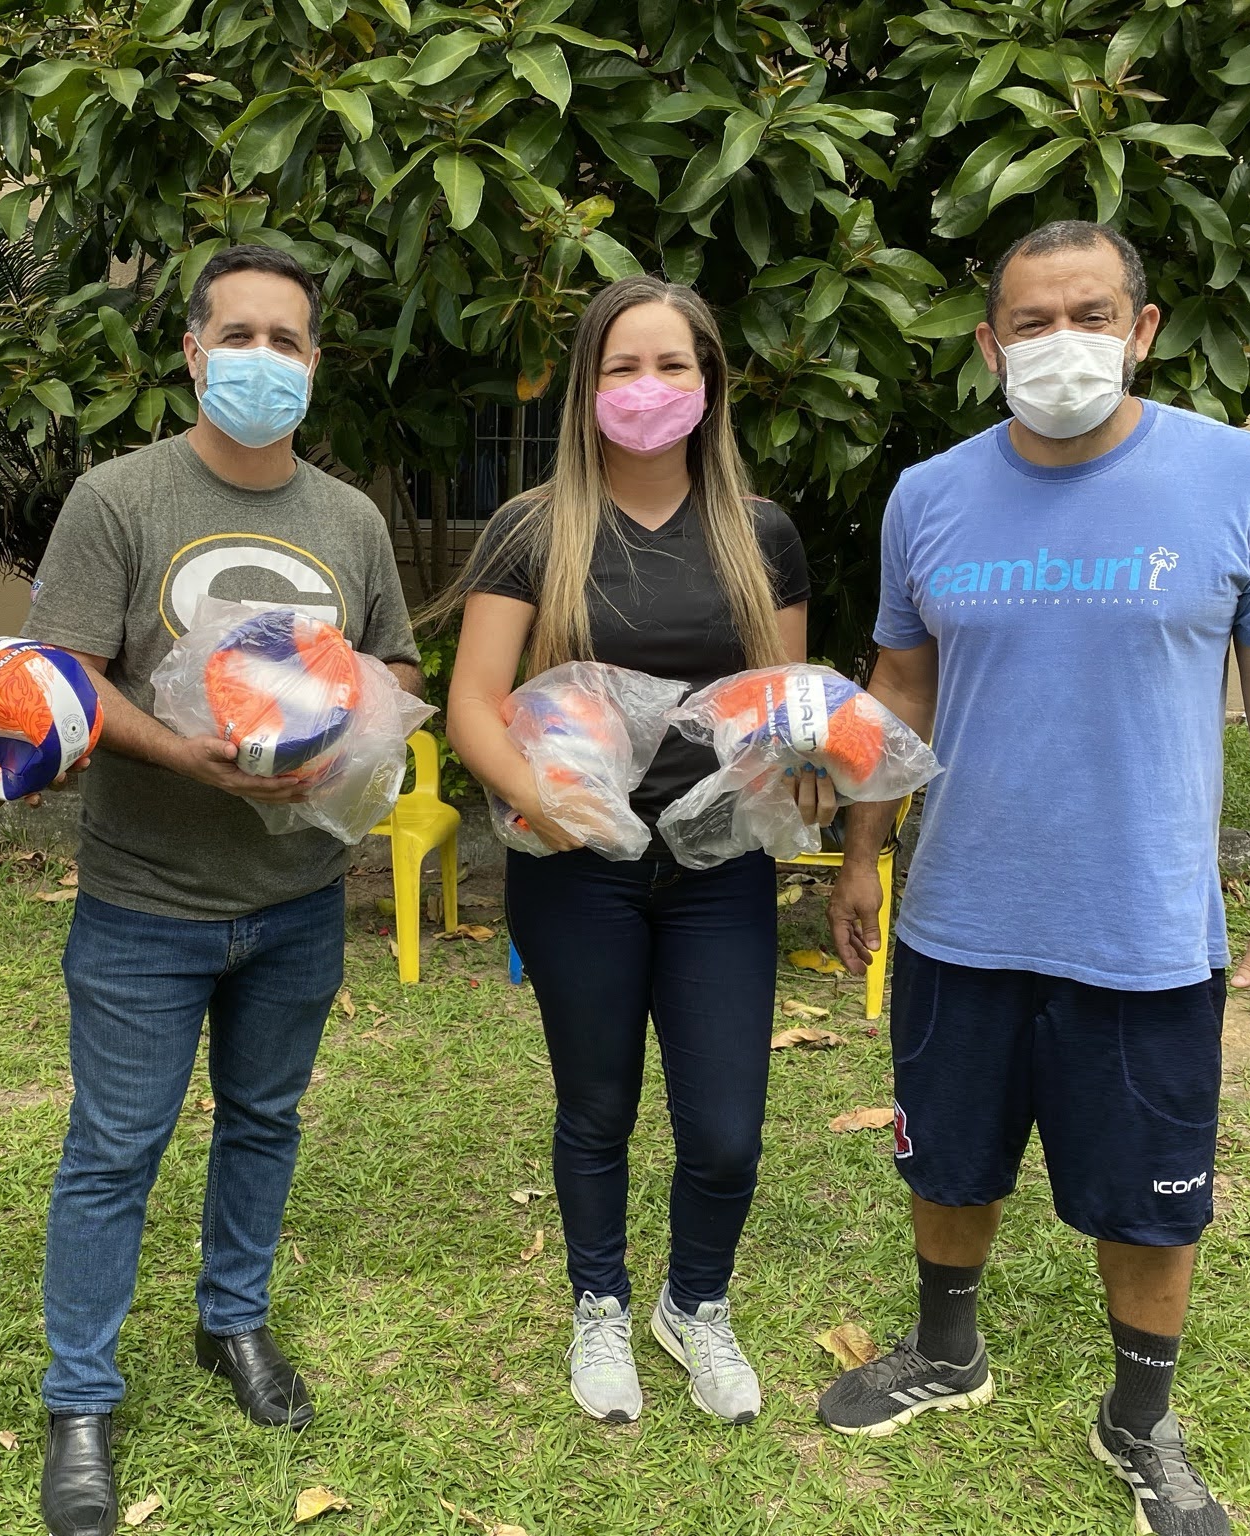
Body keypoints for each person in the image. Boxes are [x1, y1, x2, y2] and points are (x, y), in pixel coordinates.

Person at [818, 220, 1250, 1535]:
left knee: (1152, 1198)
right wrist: (862, 852)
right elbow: (900, 685)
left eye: (1091, 314)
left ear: (1141, 329)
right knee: (947, 1160)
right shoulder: (929, 495)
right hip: (959, 916)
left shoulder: (1242, 478)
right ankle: (946, 1353)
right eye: (1032, 321)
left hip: (1143, 926)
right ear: (989, 345)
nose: (1062, 342)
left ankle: (1139, 1420)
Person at [21, 244, 423, 1536]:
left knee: (263, 1120)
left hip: (299, 894)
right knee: (114, 1148)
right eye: (237, 335)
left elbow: (396, 666)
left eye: (285, 341)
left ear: (314, 364)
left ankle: (231, 1321)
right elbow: (61, 678)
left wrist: (344, 721)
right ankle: (80, 1398)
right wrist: (180, 749)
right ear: (193, 355)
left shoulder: (350, 521)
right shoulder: (119, 499)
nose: (262, 359)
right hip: (147, 898)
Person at [442, 275, 827, 1427]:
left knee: (725, 1130)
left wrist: (811, 759)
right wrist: (540, 802)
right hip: (576, 871)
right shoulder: (532, 528)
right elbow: (472, 703)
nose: (647, 388)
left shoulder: (758, 533)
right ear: (586, 387)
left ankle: (692, 1305)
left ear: (708, 385)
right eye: (622, 366)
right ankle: (598, 1303)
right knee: (596, 1106)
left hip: (719, 872)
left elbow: (779, 702)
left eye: (671, 365)